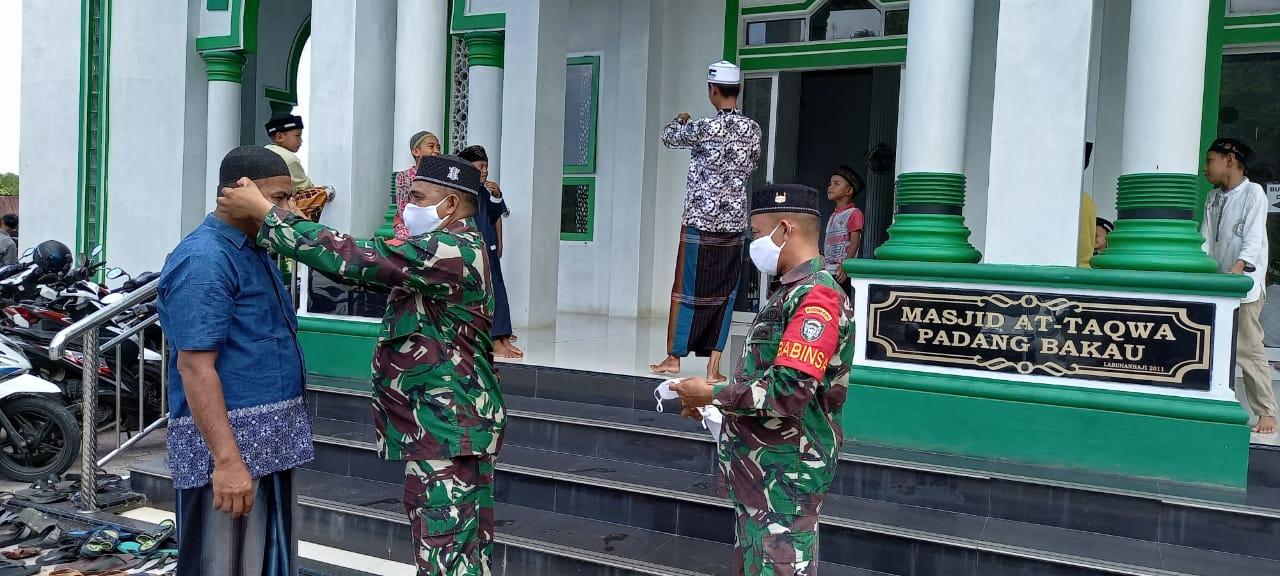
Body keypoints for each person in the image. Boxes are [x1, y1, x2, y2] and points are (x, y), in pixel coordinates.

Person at [217, 154, 505, 575]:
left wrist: (267, 214)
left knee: (447, 556)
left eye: (420, 197)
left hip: (451, 429)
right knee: (461, 554)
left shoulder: (451, 248)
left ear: (451, 205)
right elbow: (356, 271)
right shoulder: (441, 251)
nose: (409, 207)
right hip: (451, 427)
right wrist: (284, 222)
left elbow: (357, 258)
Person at [671, 184, 853, 575]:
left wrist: (713, 392)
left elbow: (789, 391)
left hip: (785, 476)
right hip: (763, 476)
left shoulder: (816, 297)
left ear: (784, 230)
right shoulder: (791, 291)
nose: (753, 244)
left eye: (756, 233)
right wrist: (714, 403)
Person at [156, 146, 314, 576]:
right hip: (231, 458)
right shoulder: (206, 259)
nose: (285, 208)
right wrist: (226, 462)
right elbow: (195, 367)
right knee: (223, 565)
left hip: (268, 450)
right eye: (277, 198)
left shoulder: (253, 248)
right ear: (238, 191)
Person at [651, 60, 762, 383]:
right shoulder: (752, 129)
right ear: (737, 90)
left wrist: (679, 119)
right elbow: (752, 165)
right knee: (725, 292)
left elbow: (669, 137)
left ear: (713, 90)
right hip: (732, 223)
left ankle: (674, 358)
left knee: (687, 290)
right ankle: (714, 367)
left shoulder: (704, 127)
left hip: (700, 219)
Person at [1202, 137, 1277, 435]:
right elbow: (1206, 241)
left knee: (1247, 347)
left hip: (1242, 286)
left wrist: (1236, 272)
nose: (1206, 167)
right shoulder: (1213, 198)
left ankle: (1267, 411)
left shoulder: (1254, 193)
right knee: (1215, 347)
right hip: (1218, 286)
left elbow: (1253, 241)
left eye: (1210, 160)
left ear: (1229, 160)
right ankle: (1220, 403)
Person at [458, 145, 523, 359]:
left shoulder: (484, 190)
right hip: (475, 249)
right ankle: (494, 340)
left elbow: (494, 216)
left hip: (489, 247)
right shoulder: (463, 192)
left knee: (499, 290)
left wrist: (497, 195)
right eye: (481, 166)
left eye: (487, 166)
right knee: (489, 294)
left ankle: (503, 336)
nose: (485, 171)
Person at [394, 131, 443, 239]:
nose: (437, 151)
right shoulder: (404, 177)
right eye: (431, 147)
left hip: (438, 228)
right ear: (416, 151)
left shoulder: (442, 178)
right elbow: (402, 210)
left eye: (438, 147)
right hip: (410, 228)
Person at [824, 164, 864, 293]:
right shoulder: (833, 215)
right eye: (830, 183)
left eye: (836, 183)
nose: (830, 187)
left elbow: (855, 242)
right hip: (828, 270)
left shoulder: (854, 213)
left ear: (848, 191)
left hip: (842, 272)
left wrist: (846, 265)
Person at [264, 112, 316, 192]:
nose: (301, 141)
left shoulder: (264, 152)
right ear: (279, 137)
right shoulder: (289, 159)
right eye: (297, 136)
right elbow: (307, 189)